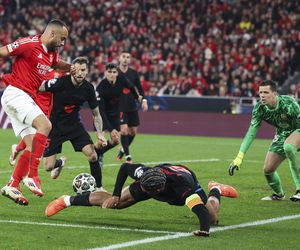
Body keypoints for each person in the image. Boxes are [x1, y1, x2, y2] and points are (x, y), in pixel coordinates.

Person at [45, 162, 237, 236]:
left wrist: (204, 230)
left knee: (212, 218)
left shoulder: (184, 190)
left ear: (158, 190)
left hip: (188, 179)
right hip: (159, 174)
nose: (141, 191)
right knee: (117, 204)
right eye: (141, 186)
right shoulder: (145, 174)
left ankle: (216, 189)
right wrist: (116, 194)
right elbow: (124, 168)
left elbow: (200, 212)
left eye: (145, 190)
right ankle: (66, 200)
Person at [0, 19, 76, 205]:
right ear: (52, 33)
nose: (63, 43)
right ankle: (33, 176)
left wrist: (71, 68)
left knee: (32, 145)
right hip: (16, 93)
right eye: (62, 38)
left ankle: (12, 185)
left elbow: (58, 64)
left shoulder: (52, 53)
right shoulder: (29, 44)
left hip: (25, 98)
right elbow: (3, 51)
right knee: (45, 125)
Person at [38, 56, 106, 190]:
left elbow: (96, 114)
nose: (80, 73)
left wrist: (100, 134)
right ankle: (60, 163)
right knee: (48, 167)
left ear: (87, 71)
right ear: (72, 70)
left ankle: (99, 188)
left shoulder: (88, 88)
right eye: (77, 69)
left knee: (93, 156)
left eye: (83, 70)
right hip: (55, 126)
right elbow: (40, 86)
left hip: (74, 125)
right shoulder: (61, 82)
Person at [229, 79, 300, 201]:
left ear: (274, 93)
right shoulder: (259, 109)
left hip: (298, 129)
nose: (262, 95)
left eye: (266, 92)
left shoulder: (289, 104)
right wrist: (239, 157)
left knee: (288, 147)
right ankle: (278, 195)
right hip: (282, 134)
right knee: (268, 169)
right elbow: (251, 133)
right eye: (260, 92)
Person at [95, 63, 141, 163]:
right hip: (101, 116)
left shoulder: (121, 80)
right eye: (109, 72)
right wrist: (111, 130)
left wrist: (137, 98)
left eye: (114, 72)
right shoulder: (101, 88)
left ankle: (99, 153)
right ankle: (97, 154)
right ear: (105, 73)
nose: (112, 74)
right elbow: (101, 112)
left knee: (116, 141)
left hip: (115, 114)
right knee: (100, 142)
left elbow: (132, 87)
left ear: (117, 73)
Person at [116, 52, 148, 163]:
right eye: (123, 56)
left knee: (133, 131)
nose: (125, 59)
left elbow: (140, 88)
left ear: (130, 60)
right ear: (119, 58)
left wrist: (143, 100)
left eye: (128, 57)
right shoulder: (114, 72)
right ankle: (128, 156)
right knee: (124, 131)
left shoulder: (133, 73)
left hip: (132, 105)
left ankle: (122, 149)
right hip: (119, 106)